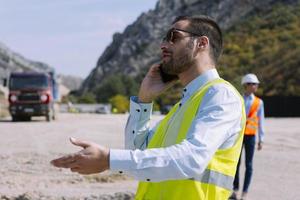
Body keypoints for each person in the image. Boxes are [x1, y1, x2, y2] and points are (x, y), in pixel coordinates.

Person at [51, 15, 246, 200]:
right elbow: (138, 151)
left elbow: (192, 158)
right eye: (164, 38)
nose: (163, 45)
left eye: (173, 37)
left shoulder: (221, 95)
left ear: (201, 44)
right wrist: (144, 100)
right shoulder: (184, 104)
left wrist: (108, 159)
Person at [230, 74, 265, 200]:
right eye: (253, 84)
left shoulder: (259, 102)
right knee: (236, 163)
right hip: (238, 135)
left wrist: (261, 139)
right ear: (246, 85)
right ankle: (235, 189)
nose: (256, 86)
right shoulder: (238, 99)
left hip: (250, 136)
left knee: (249, 165)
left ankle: (245, 192)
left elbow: (261, 121)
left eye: (256, 84)